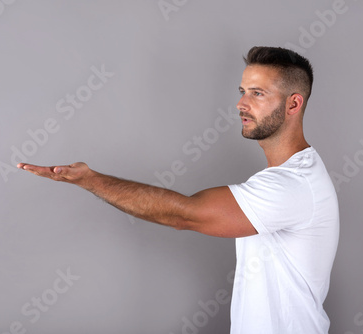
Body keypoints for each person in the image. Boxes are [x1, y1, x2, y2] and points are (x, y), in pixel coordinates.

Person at [18, 46, 339, 334]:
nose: (241, 103)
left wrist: (89, 180)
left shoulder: (293, 186)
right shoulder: (285, 177)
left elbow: (184, 215)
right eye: (242, 91)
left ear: (293, 103)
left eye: (257, 94)